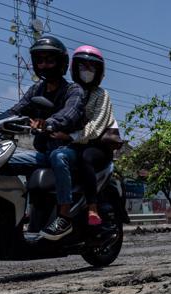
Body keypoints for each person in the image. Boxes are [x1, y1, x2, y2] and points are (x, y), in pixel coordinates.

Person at [0, 36, 86, 240]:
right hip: (44, 152)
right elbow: (16, 110)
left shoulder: (73, 90)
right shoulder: (36, 90)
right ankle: (17, 213)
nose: (44, 65)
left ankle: (64, 218)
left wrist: (49, 123)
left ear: (61, 63)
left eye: (49, 60)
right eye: (40, 60)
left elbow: (69, 114)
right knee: (3, 160)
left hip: (70, 150)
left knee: (59, 157)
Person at [69, 45, 121, 227]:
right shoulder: (70, 91)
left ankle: (92, 207)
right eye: (83, 66)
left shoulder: (102, 95)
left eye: (91, 67)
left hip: (97, 146)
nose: (86, 71)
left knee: (86, 158)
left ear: (99, 71)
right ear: (75, 68)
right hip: (72, 142)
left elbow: (96, 128)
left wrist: (71, 137)